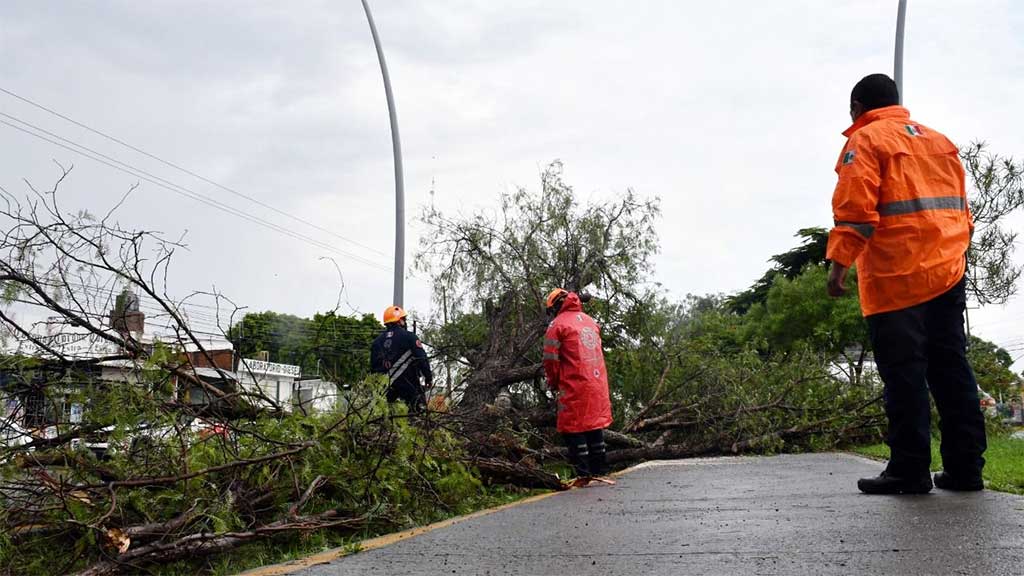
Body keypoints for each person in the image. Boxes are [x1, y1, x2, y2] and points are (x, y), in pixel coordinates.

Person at [826, 73, 986, 494]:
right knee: (952, 371)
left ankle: (910, 471)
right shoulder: (940, 142)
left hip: (897, 279)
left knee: (904, 377)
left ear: (858, 106)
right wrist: (954, 259)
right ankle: (966, 470)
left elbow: (856, 209)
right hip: (948, 272)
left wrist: (839, 265)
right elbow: (962, 210)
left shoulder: (866, 141)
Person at [542, 288, 615, 486]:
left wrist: (554, 382)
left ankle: (583, 474)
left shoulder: (557, 325)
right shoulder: (591, 322)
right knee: (593, 424)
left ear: (555, 306)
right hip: (597, 383)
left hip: (574, 382)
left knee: (572, 426)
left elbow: (550, 361)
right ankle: (601, 470)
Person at [370, 305, 432, 411]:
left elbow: (373, 367)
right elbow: (422, 358)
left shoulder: (376, 342)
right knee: (418, 414)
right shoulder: (409, 337)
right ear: (399, 321)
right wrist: (428, 377)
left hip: (384, 386)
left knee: (383, 417)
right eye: (403, 319)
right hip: (408, 384)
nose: (405, 322)